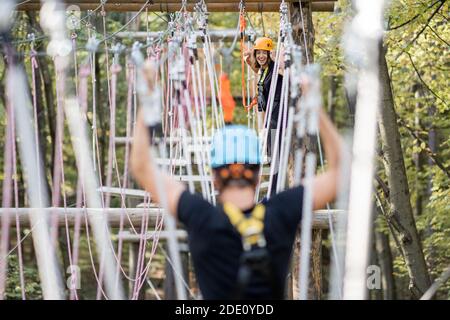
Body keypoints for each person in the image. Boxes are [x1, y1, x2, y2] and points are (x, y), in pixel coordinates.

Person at [130, 62, 343, 300]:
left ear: (214, 178)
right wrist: (314, 106)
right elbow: (341, 172)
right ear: (257, 174)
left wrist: (149, 98)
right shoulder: (282, 212)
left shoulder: (200, 216)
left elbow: (141, 166)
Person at [243, 37, 285, 195]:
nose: (261, 56)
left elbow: (282, 72)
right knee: (271, 155)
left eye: (264, 53)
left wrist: (279, 58)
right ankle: (273, 192)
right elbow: (262, 78)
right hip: (270, 118)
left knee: (275, 156)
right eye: (258, 53)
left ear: (269, 54)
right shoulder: (264, 70)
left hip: (277, 117)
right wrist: (248, 62)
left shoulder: (275, 69)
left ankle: (274, 193)